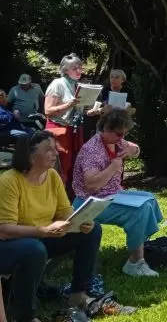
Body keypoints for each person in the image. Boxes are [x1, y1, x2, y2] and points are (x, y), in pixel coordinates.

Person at [0, 131, 135, 321]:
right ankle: (25, 316)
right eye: (48, 149)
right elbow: (5, 230)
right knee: (33, 249)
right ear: (30, 155)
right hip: (13, 244)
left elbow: (65, 211)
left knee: (92, 230)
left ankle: (79, 293)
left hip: (43, 237)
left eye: (55, 148)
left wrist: (80, 221)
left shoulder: (52, 176)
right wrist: (44, 231)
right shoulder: (9, 181)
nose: (55, 153)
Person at [72, 109, 162, 277]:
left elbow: (135, 149)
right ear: (105, 129)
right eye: (119, 134)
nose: (122, 138)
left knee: (150, 200)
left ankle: (138, 251)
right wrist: (113, 166)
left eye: (125, 134)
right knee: (139, 211)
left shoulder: (114, 141)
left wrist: (132, 151)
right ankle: (135, 262)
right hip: (90, 202)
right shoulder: (93, 151)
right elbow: (91, 185)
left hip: (112, 194)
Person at [44, 53, 87, 192]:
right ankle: (56, 201)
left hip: (74, 131)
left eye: (80, 67)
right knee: (60, 167)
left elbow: (79, 109)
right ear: (65, 70)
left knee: (74, 166)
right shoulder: (57, 84)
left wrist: (91, 111)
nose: (79, 71)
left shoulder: (77, 85)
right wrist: (68, 105)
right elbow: (48, 110)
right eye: (75, 68)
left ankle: (70, 199)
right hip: (59, 131)